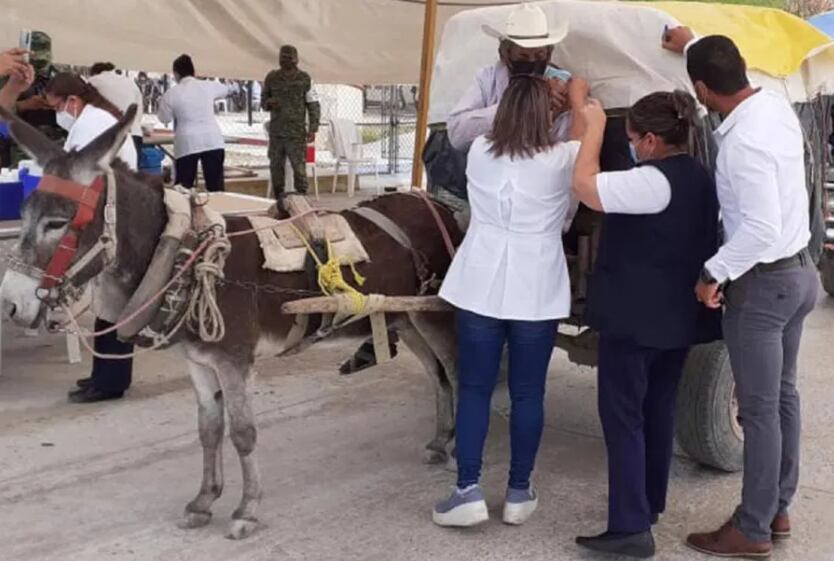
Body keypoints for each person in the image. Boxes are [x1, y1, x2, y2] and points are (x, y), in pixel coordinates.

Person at [663, 30, 819, 558]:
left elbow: (759, 229)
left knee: (759, 411)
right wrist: (690, 45)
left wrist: (712, 273)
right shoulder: (771, 108)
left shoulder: (742, 146)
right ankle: (778, 506)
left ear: (702, 89)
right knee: (782, 397)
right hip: (800, 276)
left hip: (764, 284)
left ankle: (751, 529)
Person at [431, 74, 588, 528]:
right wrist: (574, 100)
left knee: (476, 388)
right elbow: (582, 128)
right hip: (536, 286)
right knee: (527, 393)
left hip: (479, 281)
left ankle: (467, 491)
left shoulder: (479, 151)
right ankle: (519, 492)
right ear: (546, 117)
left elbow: (494, 128)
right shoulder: (564, 157)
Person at [571, 91, 721, 558]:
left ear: (652, 140)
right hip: (674, 320)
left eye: (633, 138)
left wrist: (593, 125)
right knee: (657, 411)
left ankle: (630, 527)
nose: (632, 146)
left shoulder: (652, 182)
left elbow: (586, 187)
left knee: (623, 419)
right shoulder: (699, 175)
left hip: (635, 322)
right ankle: (649, 502)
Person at [44, 72, 138, 404]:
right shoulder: (95, 118)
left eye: (58, 106)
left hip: (112, 217)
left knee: (112, 301)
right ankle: (104, 375)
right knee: (105, 302)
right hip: (108, 211)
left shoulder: (91, 124)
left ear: (73, 101)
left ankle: (111, 382)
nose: (58, 114)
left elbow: (73, 173)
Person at [446, 2, 573, 153]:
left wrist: (557, 111)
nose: (532, 62)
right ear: (505, 54)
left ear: (549, 54)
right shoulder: (487, 79)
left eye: (539, 55)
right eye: (523, 56)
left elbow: (566, 142)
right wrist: (523, 105)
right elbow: (457, 134)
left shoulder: (562, 84)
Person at [157, 54, 231, 192]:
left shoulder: (171, 93)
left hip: (187, 142)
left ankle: (186, 213)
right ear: (194, 72)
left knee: (184, 188)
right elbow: (226, 90)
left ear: (176, 74)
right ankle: (218, 211)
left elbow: (164, 119)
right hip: (212, 139)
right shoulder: (208, 86)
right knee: (216, 188)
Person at [262, 45, 320, 196]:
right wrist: (269, 103)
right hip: (277, 133)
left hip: (296, 133)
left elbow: (313, 104)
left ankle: (301, 198)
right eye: (282, 57)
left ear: (296, 59)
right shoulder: (272, 78)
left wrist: (313, 128)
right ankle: (279, 199)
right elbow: (263, 102)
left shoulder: (305, 79)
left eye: (289, 57)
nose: (285, 60)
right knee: (275, 167)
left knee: (299, 168)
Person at [0, 31, 63, 167]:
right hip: (18, 146)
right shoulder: (10, 75)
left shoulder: (59, 77)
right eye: (35, 62)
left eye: (42, 61)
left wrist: (59, 105)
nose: (39, 67)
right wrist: (24, 105)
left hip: (53, 143)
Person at [88, 61, 145, 166]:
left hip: (109, 137)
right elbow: (139, 113)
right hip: (134, 133)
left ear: (94, 72)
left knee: (108, 177)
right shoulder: (130, 83)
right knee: (132, 177)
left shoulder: (93, 81)